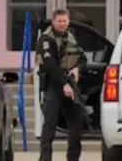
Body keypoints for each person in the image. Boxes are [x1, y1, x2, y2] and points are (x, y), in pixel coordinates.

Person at [36, 9, 87, 161]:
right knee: (50, 123)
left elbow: (82, 58)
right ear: (53, 22)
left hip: (70, 84)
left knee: (77, 122)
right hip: (53, 85)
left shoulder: (70, 38)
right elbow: (50, 65)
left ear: (68, 21)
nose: (62, 24)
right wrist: (64, 84)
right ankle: (45, 158)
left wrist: (77, 69)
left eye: (64, 21)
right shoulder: (46, 39)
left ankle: (73, 157)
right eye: (59, 21)